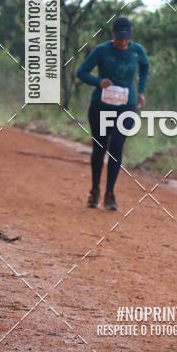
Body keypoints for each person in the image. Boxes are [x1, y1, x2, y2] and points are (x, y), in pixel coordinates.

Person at [76, 16, 149, 211]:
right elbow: (81, 72)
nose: (122, 42)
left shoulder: (136, 51)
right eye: (119, 38)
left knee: (117, 145)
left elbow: (145, 65)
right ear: (112, 34)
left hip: (126, 106)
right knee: (100, 148)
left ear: (130, 36)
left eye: (126, 39)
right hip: (100, 105)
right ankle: (94, 190)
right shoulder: (101, 51)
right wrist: (98, 82)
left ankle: (110, 193)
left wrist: (140, 89)